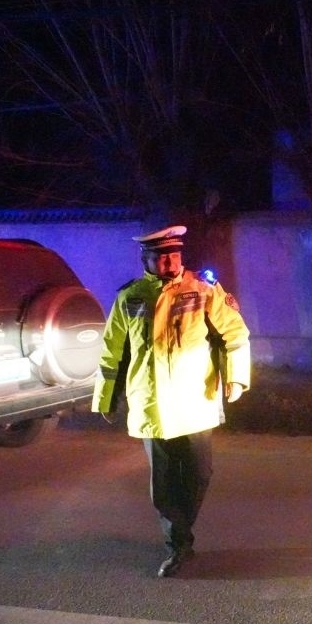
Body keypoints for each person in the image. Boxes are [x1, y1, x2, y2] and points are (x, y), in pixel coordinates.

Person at [92, 224, 251, 577]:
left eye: (174, 255)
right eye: (161, 257)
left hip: (196, 401)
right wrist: (105, 399)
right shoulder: (130, 297)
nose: (169, 263)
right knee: (163, 486)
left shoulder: (203, 290)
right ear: (145, 260)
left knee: (199, 474)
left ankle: (181, 532)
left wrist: (237, 378)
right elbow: (112, 352)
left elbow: (236, 334)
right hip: (152, 405)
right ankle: (178, 545)